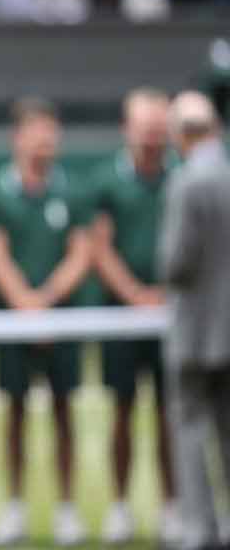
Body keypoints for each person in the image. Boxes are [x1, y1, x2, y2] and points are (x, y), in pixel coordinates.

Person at [0, 97, 91, 546]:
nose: (45, 141)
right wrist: (25, 304)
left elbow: (82, 253)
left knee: (66, 413)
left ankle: (67, 510)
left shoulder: (74, 190)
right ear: (18, 137)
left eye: (51, 132)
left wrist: (45, 302)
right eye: (36, 132)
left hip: (60, 324)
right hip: (16, 323)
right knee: (15, 414)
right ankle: (14, 508)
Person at [90, 88, 180, 545]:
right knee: (122, 411)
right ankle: (121, 507)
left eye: (158, 127)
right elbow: (100, 248)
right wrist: (136, 295)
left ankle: (172, 507)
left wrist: (166, 294)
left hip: (172, 319)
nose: (152, 136)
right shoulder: (108, 181)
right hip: (122, 319)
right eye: (144, 127)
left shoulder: (180, 177)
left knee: (171, 414)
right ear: (128, 129)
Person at [159, 91, 230, 550]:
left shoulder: (187, 182)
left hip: (194, 332)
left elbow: (175, 262)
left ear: (180, 135)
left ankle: (199, 527)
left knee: (187, 430)